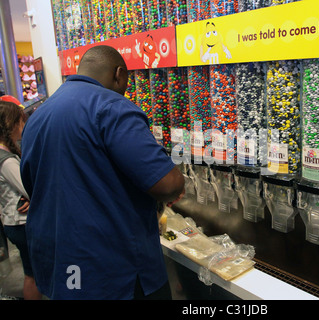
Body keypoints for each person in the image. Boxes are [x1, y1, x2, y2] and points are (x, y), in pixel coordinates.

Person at [20, 45, 185, 300]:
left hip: (60, 261)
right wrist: (176, 179)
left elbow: (33, 183)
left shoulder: (37, 116)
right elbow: (166, 183)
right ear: (119, 74)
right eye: (126, 82)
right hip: (113, 270)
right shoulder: (111, 107)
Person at [0, 100, 41, 300]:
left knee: (32, 272)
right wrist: (34, 197)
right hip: (20, 224)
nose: (23, 127)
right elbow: (30, 188)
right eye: (21, 122)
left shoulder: (7, 154)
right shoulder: (6, 160)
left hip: (15, 222)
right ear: (11, 124)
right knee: (34, 274)